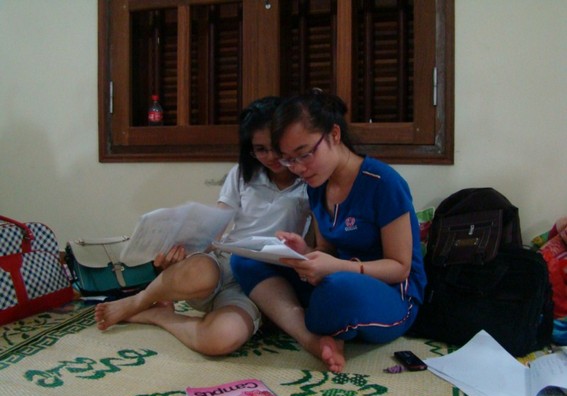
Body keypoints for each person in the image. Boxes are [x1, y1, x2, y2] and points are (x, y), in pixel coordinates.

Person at [94, 96, 310, 356]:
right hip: (225, 263)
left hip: (263, 283)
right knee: (199, 270)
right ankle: (139, 301)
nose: (271, 156)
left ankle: (160, 316)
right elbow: (215, 228)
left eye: (276, 147)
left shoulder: (309, 180)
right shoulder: (242, 174)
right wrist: (183, 252)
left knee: (220, 339)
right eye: (260, 149)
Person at [230, 90, 427, 372]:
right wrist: (304, 251)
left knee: (336, 292)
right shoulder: (317, 185)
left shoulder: (382, 182)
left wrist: (338, 267)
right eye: (288, 160)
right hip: (335, 279)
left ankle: (295, 318)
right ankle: (309, 335)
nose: (298, 168)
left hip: (391, 294)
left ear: (334, 134)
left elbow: (400, 268)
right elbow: (327, 251)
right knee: (244, 259)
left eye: (304, 154)